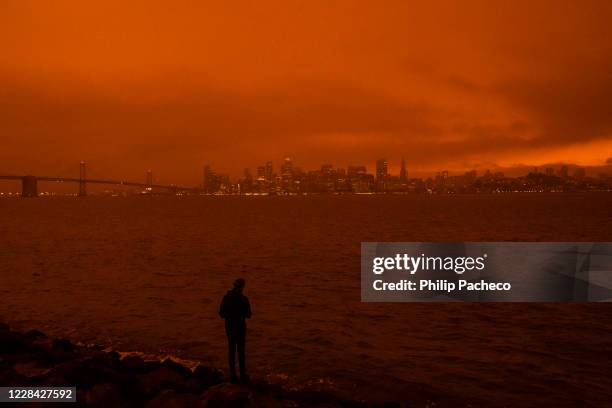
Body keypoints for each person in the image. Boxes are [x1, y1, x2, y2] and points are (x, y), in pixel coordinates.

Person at [219, 278, 252, 383]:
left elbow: (221, 313)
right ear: (242, 287)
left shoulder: (226, 298)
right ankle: (242, 374)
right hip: (241, 327)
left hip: (229, 327)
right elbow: (249, 315)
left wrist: (229, 316)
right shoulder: (244, 299)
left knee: (231, 350)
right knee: (241, 351)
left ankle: (233, 374)